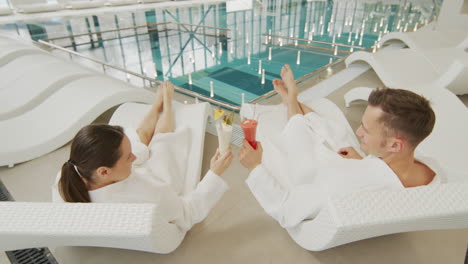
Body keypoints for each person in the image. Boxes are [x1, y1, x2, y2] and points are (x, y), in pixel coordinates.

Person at [238, 64, 439, 228]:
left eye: (366, 130)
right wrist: (361, 162)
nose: (358, 132)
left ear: (395, 145)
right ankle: (293, 100)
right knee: (333, 135)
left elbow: (285, 209)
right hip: (357, 172)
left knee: (301, 136)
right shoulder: (430, 172)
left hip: (320, 177)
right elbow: (380, 181)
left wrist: (254, 166)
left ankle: (291, 100)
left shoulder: (348, 181)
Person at [54, 81, 233, 233]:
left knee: (139, 138)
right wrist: (215, 172)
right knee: (162, 140)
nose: (133, 157)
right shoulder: (150, 194)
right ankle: (167, 102)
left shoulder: (70, 175)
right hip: (158, 177)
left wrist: (128, 155)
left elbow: (131, 154)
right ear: (103, 171)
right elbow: (187, 214)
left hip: (124, 178)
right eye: (127, 157)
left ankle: (157, 104)